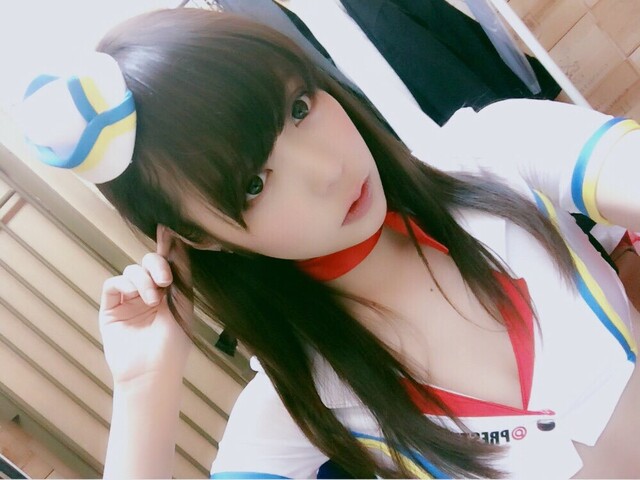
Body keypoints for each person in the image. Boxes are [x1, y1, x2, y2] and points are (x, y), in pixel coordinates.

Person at [18, 8, 640, 479]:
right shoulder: (296, 405)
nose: (327, 169)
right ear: (201, 236)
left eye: (299, 108)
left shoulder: (499, 149)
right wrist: (143, 389)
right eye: (255, 183)